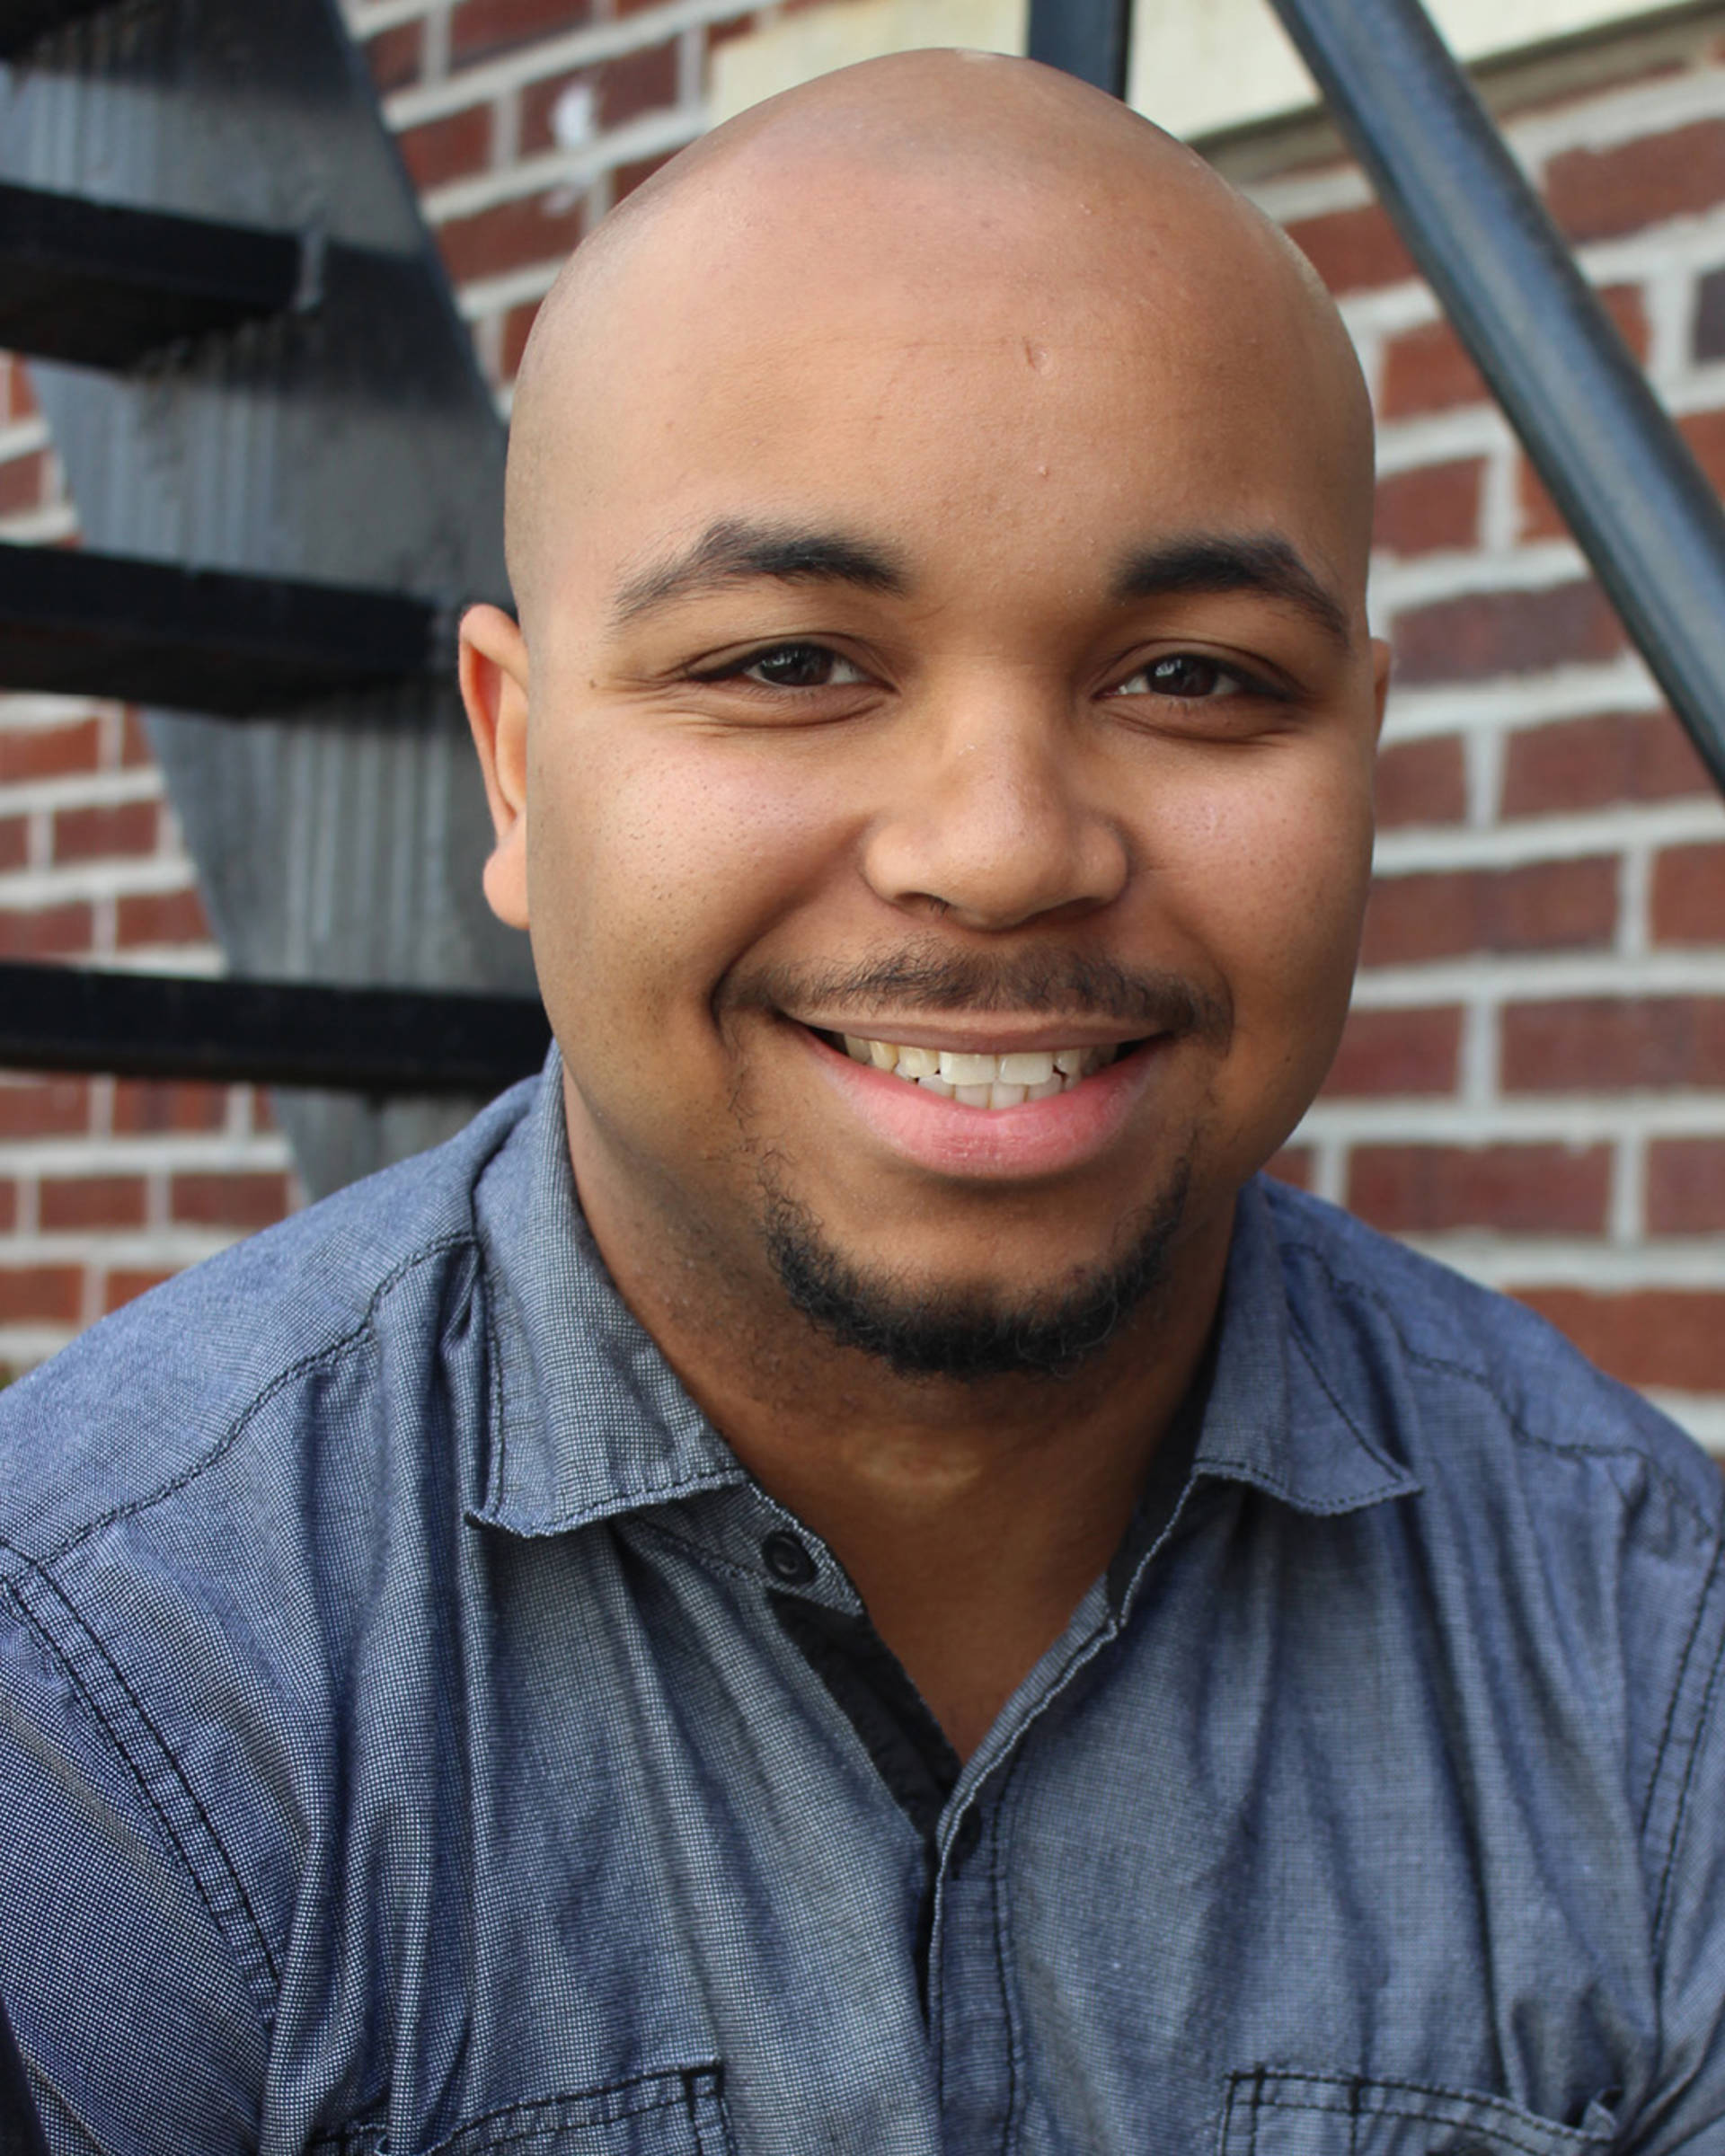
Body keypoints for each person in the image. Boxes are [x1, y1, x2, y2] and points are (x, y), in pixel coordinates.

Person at [1, 47, 1721, 2156]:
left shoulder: (1653, 1649)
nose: (1001, 849)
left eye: (1193, 675)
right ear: (520, 762)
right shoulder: (91, 1687)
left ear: (1364, 749)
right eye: (792, 661)